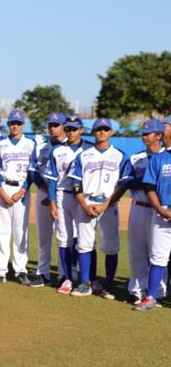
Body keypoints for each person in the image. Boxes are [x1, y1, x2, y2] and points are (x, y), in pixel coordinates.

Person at [68, 118, 130, 299]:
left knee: (111, 246)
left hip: (108, 205)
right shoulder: (84, 155)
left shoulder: (120, 156)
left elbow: (123, 185)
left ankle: (108, 285)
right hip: (87, 203)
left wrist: (106, 204)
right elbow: (76, 183)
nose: (102, 132)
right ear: (93, 132)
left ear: (111, 132)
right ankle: (85, 283)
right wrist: (84, 204)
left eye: (105, 129)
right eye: (98, 129)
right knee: (84, 245)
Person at [0, 109, 38, 285]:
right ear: (8, 124)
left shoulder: (30, 144)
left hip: (21, 191)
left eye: (18, 123)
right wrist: (1, 192)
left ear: (23, 124)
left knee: (20, 232)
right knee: (2, 231)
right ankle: (0, 271)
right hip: (4, 188)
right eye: (12, 123)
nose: (15, 126)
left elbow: (32, 172)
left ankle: (20, 270)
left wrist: (22, 191)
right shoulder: (1, 144)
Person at [122, 119, 167, 305]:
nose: (144, 136)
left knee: (158, 252)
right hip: (139, 206)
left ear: (159, 135)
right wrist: (146, 179)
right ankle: (137, 290)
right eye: (143, 133)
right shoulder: (136, 158)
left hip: (160, 210)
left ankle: (158, 291)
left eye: (148, 133)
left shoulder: (167, 157)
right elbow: (125, 181)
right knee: (137, 251)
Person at [45, 116, 89, 294]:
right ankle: (67, 277)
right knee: (64, 238)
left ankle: (86, 278)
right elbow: (51, 180)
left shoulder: (89, 150)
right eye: (68, 129)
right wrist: (52, 203)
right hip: (63, 195)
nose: (71, 132)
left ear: (81, 130)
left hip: (84, 197)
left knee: (84, 238)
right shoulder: (56, 151)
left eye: (74, 129)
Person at [33, 112, 67, 285]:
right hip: (44, 192)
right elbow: (34, 172)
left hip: (64, 195)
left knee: (65, 236)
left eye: (56, 125)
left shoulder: (69, 149)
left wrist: (54, 196)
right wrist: (47, 192)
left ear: (64, 126)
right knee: (43, 236)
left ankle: (65, 274)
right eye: (50, 125)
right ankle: (43, 272)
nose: (53, 128)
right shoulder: (41, 147)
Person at [136, 142, 171, 311]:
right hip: (163, 212)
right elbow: (149, 186)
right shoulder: (159, 158)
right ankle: (150, 297)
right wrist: (160, 210)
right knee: (158, 256)